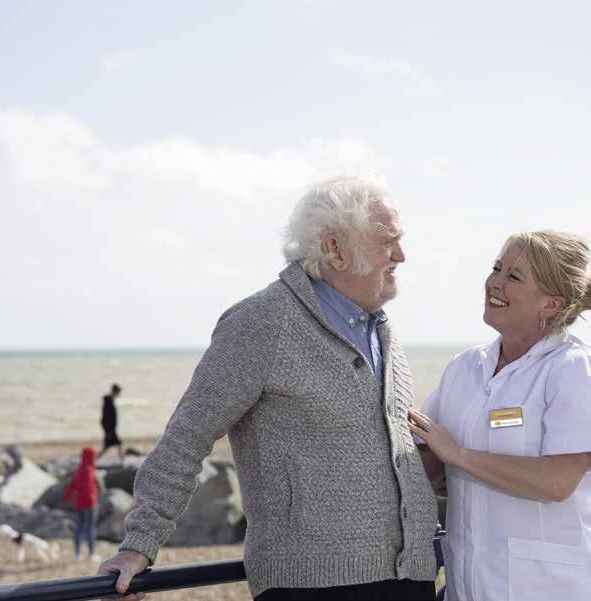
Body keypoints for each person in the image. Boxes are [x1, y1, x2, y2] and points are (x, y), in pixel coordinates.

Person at [98, 176, 438, 601]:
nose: (401, 254)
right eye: (388, 241)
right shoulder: (262, 322)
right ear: (335, 249)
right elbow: (187, 438)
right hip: (311, 586)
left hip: (409, 579)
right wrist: (139, 545)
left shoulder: (382, 330)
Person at [410, 230, 591, 601]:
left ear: (551, 304)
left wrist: (459, 455)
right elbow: (427, 461)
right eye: (496, 268)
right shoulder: (463, 368)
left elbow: (557, 482)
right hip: (466, 590)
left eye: (514, 276)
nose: (495, 282)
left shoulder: (574, 369)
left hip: (548, 590)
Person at [62, 447, 101, 561]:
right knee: (91, 528)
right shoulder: (89, 470)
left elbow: (72, 485)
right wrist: (93, 501)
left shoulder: (79, 469)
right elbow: (88, 487)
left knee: (79, 528)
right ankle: (91, 554)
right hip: (90, 504)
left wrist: (65, 498)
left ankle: (77, 554)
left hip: (79, 504)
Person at [98, 384, 123, 459]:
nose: (118, 394)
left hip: (111, 429)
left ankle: (95, 459)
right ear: (114, 391)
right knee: (117, 443)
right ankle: (122, 460)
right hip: (109, 429)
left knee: (109, 446)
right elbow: (105, 418)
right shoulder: (108, 402)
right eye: (118, 392)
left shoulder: (111, 401)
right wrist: (108, 431)